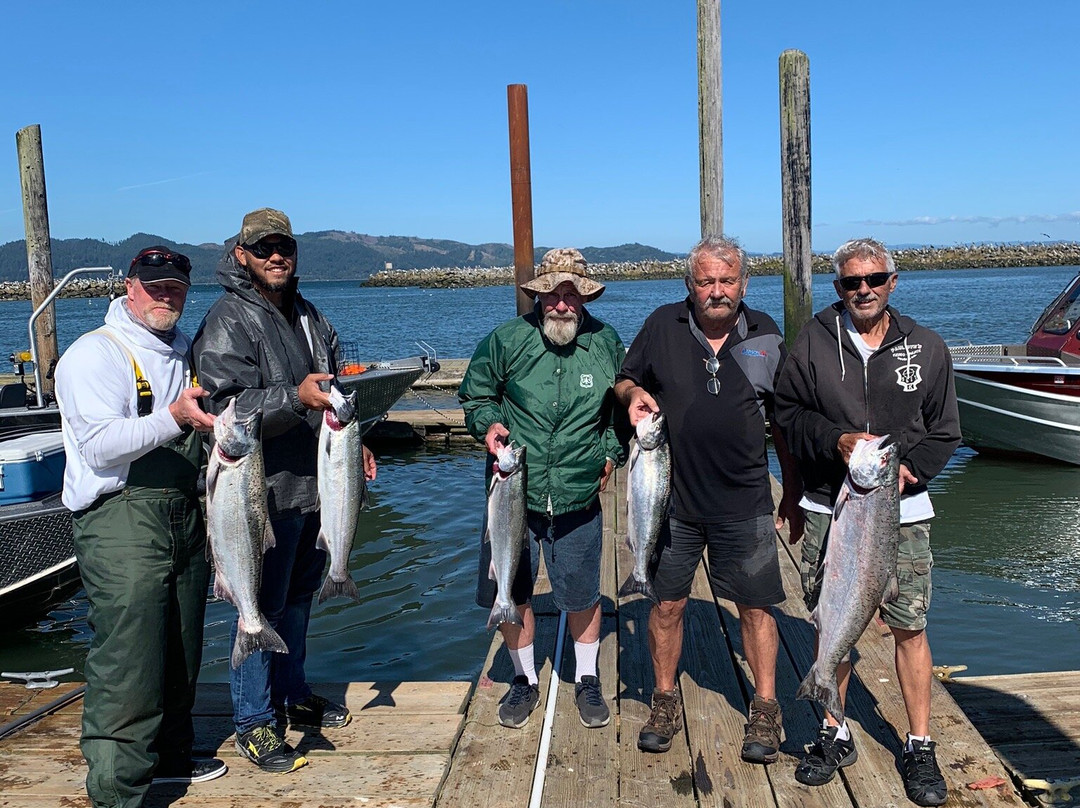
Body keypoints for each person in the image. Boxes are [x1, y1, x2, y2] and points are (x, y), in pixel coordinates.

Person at [773, 237, 960, 807]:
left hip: (900, 511)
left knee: (909, 625)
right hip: (831, 505)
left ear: (892, 281)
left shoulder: (925, 347)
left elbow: (946, 429)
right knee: (831, 620)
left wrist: (910, 471)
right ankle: (835, 730)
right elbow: (786, 414)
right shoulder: (811, 344)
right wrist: (838, 440)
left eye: (874, 279)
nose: (864, 290)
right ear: (838, 288)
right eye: (852, 282)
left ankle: (920, 743)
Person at [192, 208, 376, 774]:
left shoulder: (308, 315)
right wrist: (293, 397)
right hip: (258, 496)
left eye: (285, 247)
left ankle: (293, 694)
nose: (277, 256)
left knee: (297, 603)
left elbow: (332, 388)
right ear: (241, 255)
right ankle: (253, 720)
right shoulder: (228, 319)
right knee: (258, 607)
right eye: (264, 247)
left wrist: (356, 440)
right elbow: (223, 408)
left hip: (314, 488)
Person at [614, 234, 802, 760]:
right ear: (689, 285)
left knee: (756, 608)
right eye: (705, 281)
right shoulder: (661, 326)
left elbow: (783, 419)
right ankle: (664, 698)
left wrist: (792, 490)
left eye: (726, 280)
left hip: (745, 500)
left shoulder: (764, 333)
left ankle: (765, 708)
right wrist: (631, 397)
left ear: (744, 282)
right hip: (673, 502)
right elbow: (625, 379)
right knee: (666, 604)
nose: (716, 291)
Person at [55, 247, 226, 808]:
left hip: (183, 510)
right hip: (119, 517)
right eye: (154, 287)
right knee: (130, 656)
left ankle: (170, 756)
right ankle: (116, 789)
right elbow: (99, 446)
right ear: (129, 287)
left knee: (181, 641)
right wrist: (173, 417)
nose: (165, 296)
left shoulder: (184, 350)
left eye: (175, 287)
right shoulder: (94, 354)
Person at [459, 248, 627, 730]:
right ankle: (524, 679)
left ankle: (588, 677)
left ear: (583, 299)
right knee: (512, 588)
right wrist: (489, 425)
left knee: (581, 592)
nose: (560, 304)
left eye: (570, 295)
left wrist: (611, 452)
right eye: (552, 294)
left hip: (577, 491)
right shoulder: (507, 339)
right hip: (512, 489)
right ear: (539, 296)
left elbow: (620, 409)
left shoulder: (606, 342)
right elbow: (476, 393)